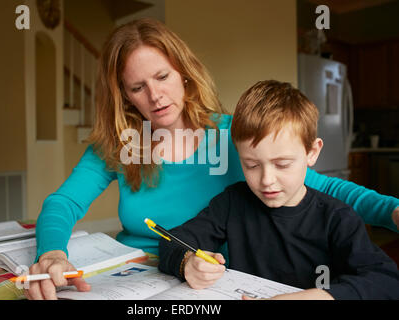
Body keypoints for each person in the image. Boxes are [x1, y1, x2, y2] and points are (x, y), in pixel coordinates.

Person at [25, 18, 399, 300]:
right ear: (125, 96)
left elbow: (319, 187)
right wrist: (53, 252)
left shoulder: (234, 136)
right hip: (132, 278)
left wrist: (393, 211)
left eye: (162, 76)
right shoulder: (122, 143)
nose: (155, 96)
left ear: (184, 74)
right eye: (138, 87)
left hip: (206, 284)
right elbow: (63, 202)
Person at [158, 80, 399, 300]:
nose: (266, 180)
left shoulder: (337, 218)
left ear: (312, 153)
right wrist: (187, 262)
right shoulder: (232, 203)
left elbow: (386, 281)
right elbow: (172, 241)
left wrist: (320, 297)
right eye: (251, 165)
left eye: (282, 164)